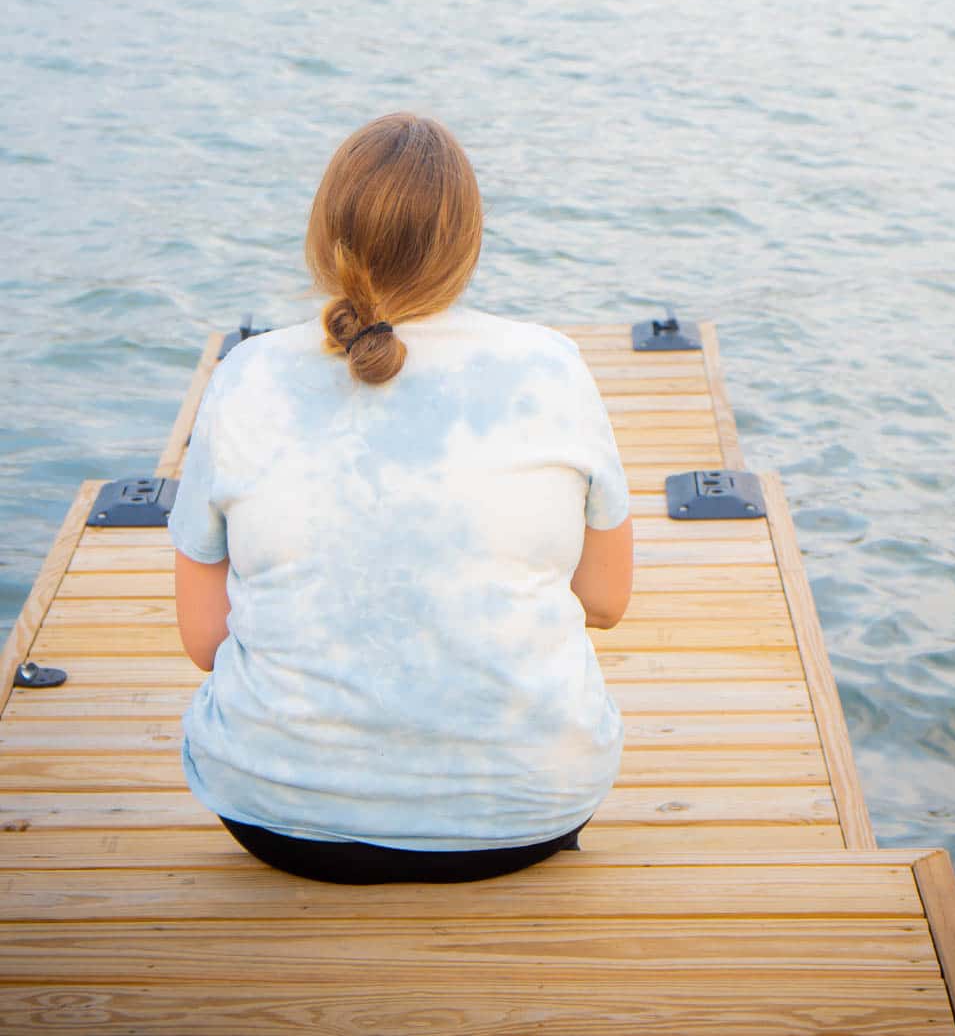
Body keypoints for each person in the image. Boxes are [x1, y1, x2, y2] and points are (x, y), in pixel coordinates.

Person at [168, 112, 634, 884]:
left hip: (276, 811)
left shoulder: (246, 377)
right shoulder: (552, 368)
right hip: (526, 814)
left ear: (322, 236)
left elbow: (202, 640)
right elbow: (608, 599)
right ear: (466, 245)